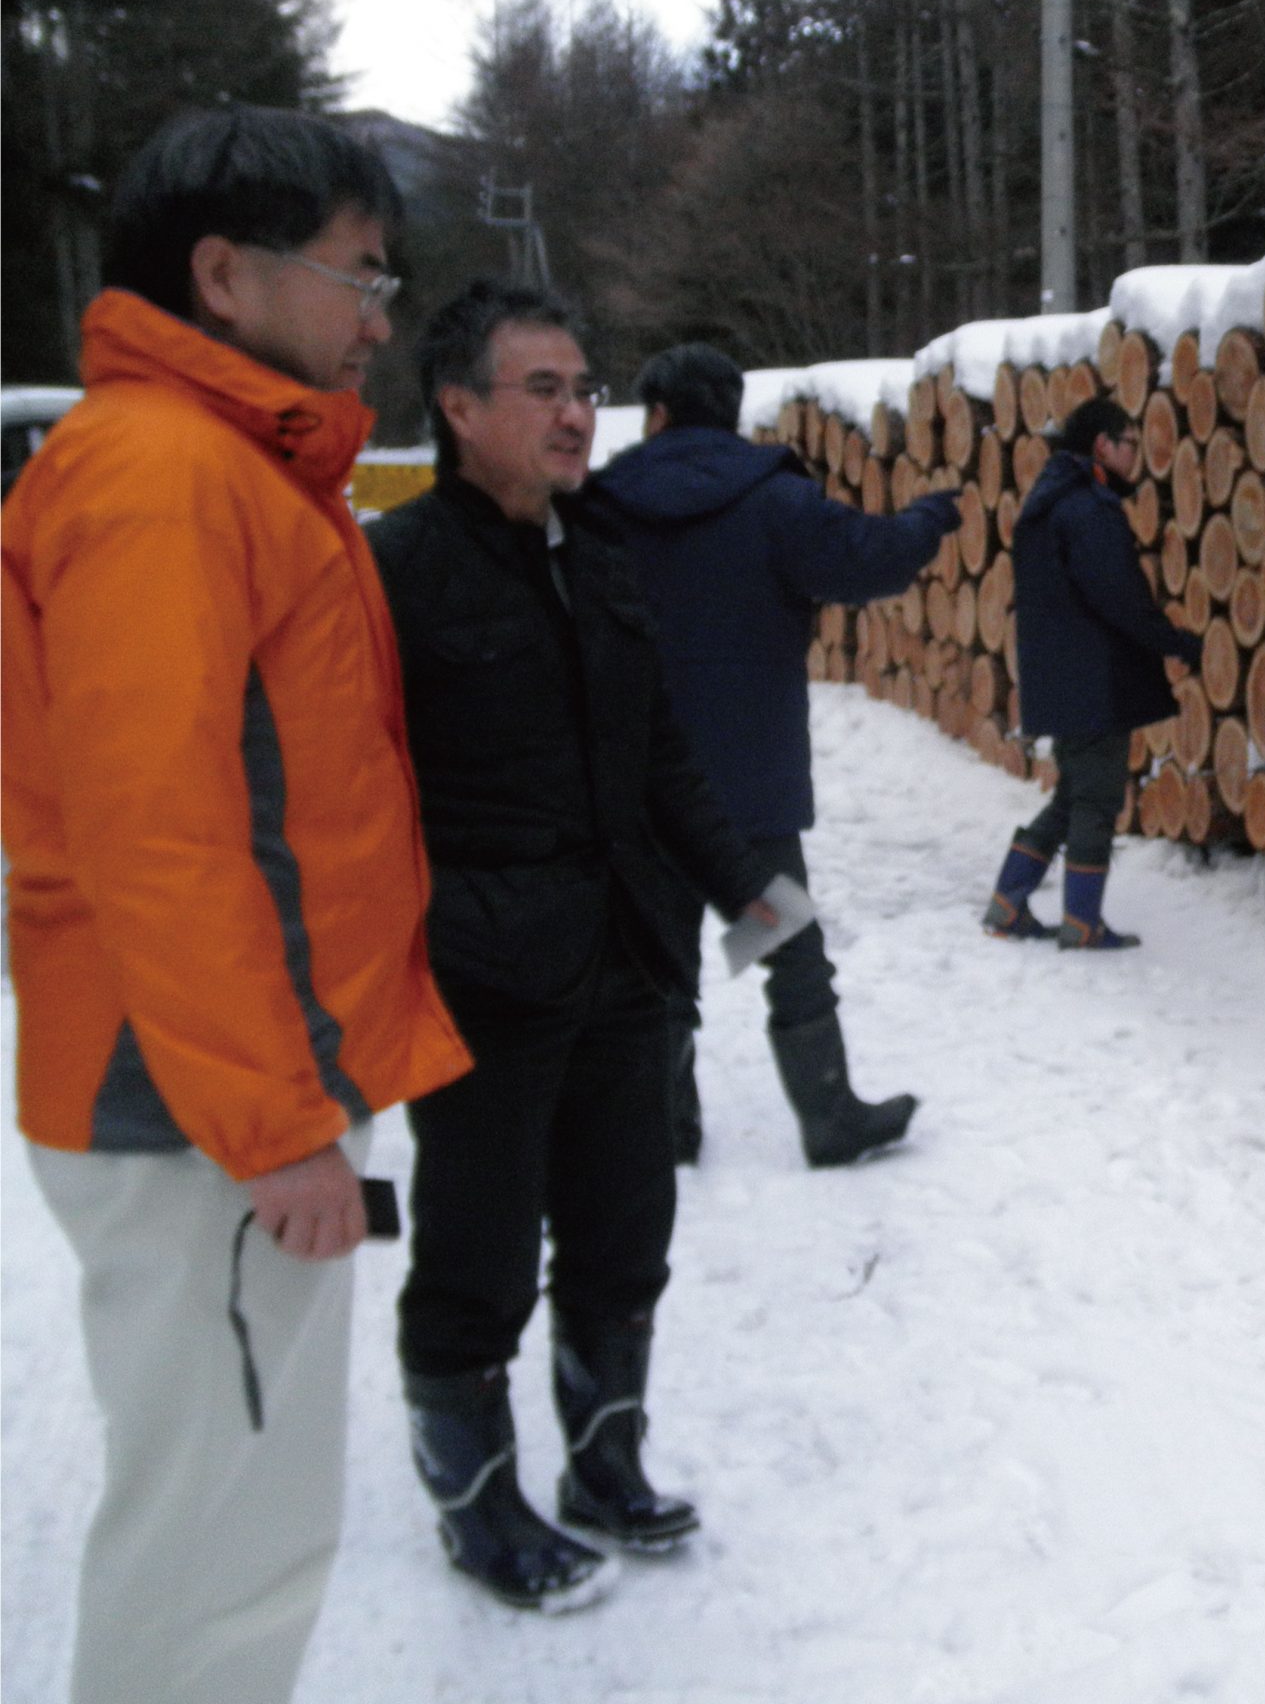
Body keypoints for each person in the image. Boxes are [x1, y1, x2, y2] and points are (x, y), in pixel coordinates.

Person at [1, 105, 474, 1704]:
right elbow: (163, 831)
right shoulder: (160, 477)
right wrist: (272, 1128)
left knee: (233, 1517)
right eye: (356, 273)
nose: (380, 315)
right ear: (223, 276)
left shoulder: (232, 470)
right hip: (193, 1110)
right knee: (221, 1547)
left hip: (211, 1091)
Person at [367, 281, 780, 1611]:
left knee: (623, 1232)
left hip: (626, 963)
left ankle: (608, 1465)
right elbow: (348, 792)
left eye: (581, 385)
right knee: (477, 1255)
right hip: (484, 980)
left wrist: (749, 893)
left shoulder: (601, 557)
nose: (575, 411)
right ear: (458, 406)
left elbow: (660, 751)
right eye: (540, 387)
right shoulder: (394, 572)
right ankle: (480, 1508)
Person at [587, 343, 959, 1168]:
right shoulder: (776, 502)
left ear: (656, 415)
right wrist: (933, 515)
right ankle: (828, 1117)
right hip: (746, 802)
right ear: (731, 414)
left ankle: (663, 1124)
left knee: (656, 956)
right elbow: (871, 561)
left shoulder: (598, 506)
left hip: (639, 790)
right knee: (784, 945)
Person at [982, 396, 1203, 949]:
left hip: (1064, 678)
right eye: (1130, 443)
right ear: (1103, 445)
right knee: (1097, 799)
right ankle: (1082, 924)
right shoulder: (1087, 509)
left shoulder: (1051, 501)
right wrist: (1174, 642)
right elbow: (1120, 598)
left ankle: (1009, 901)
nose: (1137, 456)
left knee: (1072, 796)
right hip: (1095, 680)